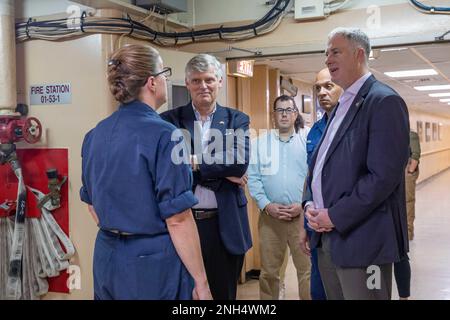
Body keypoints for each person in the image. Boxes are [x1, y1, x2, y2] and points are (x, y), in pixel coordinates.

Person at [80, 44, 211, 300]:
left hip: (107, 257)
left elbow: (92, 204)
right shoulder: (166, 135)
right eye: (164, 73)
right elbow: (178, 219)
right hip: (151, 263)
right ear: (152, 82)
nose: (165, 79)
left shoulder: (94, 135)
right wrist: (201, 282)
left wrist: (122, 224)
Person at [300, 28, 410, 300]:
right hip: (327, 239)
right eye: (326, 53)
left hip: (363, 244)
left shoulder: (383, 101)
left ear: (359, 54)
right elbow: (320, 164)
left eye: (335, 52)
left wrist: (334, 216)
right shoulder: (342, 105)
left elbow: (382, 178)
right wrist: (309, 206)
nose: (327, 59)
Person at [160, 54, 252, 300]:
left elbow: (239, 162)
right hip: (184, 222)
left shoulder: (237, 119)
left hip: (225, 224)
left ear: (219, 81)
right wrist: (221, 172)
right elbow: (168, 166)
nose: (204, 86)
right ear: (188, 83)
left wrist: (193, 162)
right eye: (197, 80)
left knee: (223, 295)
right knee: (188, 296)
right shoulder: (169, 121)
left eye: (209, 80)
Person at [248, 95, 311, 300]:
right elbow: (254, 178)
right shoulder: (259, 144)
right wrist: (267, 205)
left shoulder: (307, 140)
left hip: (302, 219)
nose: (284, 114)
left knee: (307, 272)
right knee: (269, 274)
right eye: (279, 110)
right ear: (273, 115)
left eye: (288, 110)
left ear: (295, 114)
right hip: (270, 219)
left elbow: (314, 178)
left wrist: (303, 206)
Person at [303, 68, 343, 300]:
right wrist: (302, 225)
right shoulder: (315, 130)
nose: (322, 92)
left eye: (328, 86)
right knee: (319, 290)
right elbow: (310, 178)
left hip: (342, 223)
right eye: (318, 87)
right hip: (315, 225)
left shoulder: (353, 125)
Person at [393, 130, 420, 300]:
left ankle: (408, 232)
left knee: (408, 205)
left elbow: (415, 155)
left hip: (404, 176)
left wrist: (409, 172)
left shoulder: (410, 134)